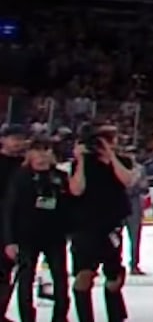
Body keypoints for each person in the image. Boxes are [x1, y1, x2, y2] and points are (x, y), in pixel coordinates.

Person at [66, 124, 136, 322]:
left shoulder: (122, 161)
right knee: (84, 274)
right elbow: (76, 189)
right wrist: (79, 160)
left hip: (111, 224)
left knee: (114, 275)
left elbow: (127, 181)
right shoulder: (82, 163)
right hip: (85, 225)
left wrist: (111, 156)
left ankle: (115, 315)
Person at [3, 134, 71, 322]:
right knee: (25, 280)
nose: (42, 156)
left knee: (60, 278)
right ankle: (27, 318)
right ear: (30, 154)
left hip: (54, 236)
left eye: (46, 151)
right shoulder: (20, 177)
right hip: (26, 236)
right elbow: (9, 209)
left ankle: (60, 316)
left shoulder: (60, 177)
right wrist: (9, 241)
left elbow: (69, 206)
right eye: (38, 151)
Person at [0, 124, 30, 315]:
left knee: (8, 272)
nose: (17, 142)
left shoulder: (25, 164)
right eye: (13, 138)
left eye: (20, 138)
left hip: (16, 223)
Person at [122, 150, 148, 276]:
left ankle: (134, 265)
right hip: (120, 203)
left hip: (134, 205)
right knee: (116, 237)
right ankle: (116, 264)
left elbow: (145, 187)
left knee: (135, 238)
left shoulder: (140, 169)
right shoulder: (119, 166)